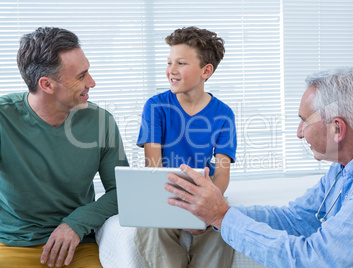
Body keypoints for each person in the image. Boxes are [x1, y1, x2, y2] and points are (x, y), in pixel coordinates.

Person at [165, 67, 353, 267]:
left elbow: (313, 259)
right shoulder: (349, 163)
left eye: (304, 121)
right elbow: (296, 219)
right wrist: (214, 215)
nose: (299, 133)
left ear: (337, 129)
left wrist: (221, 216)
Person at [0, 27, 129, 268]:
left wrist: (76, 223)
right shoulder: (3, 117)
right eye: (81, 76)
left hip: (78, 243)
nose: (92, 82)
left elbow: (123, 191)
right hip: (13, 244)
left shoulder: (101, 122)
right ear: (47, 84)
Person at [135, 26, 237, 267]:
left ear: (206, 70)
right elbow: (154, 167)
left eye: (181, 63)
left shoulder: (224, 114)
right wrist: (182, 215)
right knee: (151, 229)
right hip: (164, 189)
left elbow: (222, 173)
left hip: (204, 190)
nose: (171, 70)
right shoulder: (156, 106)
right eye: (169, 62)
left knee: (226, 227)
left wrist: (207, 206)